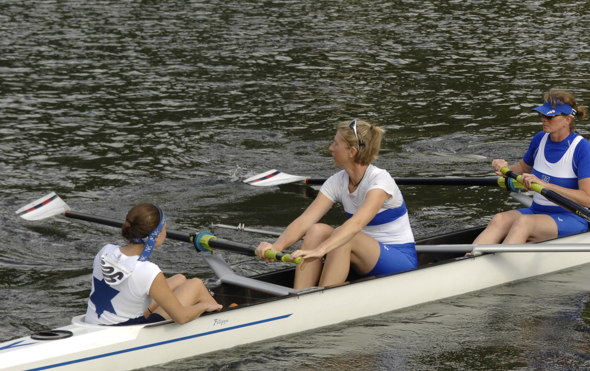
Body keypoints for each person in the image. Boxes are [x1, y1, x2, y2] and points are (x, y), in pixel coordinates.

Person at [256, 119, 417, 288]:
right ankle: (300, 295)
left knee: (344, 236)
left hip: (399, 261)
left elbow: (356, 224)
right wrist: (276, 247)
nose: (330, 148)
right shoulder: (337, 181)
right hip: (363, 258)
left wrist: (321, 250)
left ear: (352, 151)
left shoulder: (380, 182)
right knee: (316, 230)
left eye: (336, 143)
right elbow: (306, 220)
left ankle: (324, 299)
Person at [476, 90, 590, 244]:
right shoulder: (540, 138)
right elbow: (523, 167)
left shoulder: (583, 149)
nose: (543, 120)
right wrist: (504, 168)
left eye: (549, 116)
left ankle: (492, 264)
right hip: (537, 210)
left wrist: (544, 184)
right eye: (542, 115)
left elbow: (587, 199)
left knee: (523, 223)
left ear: (567, 120)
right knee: (499, 219)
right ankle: (468, 259)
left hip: (570, 217)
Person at [84, 203, 222, 326]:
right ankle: (223, 320)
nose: (166, 233)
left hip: (95, 321)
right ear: (155, 236)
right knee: (196, 284)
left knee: (179, 279)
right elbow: (182, 317)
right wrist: (203, 306)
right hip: (128, 328)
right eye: (165, 229)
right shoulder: (148, 271)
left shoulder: (105, 250)